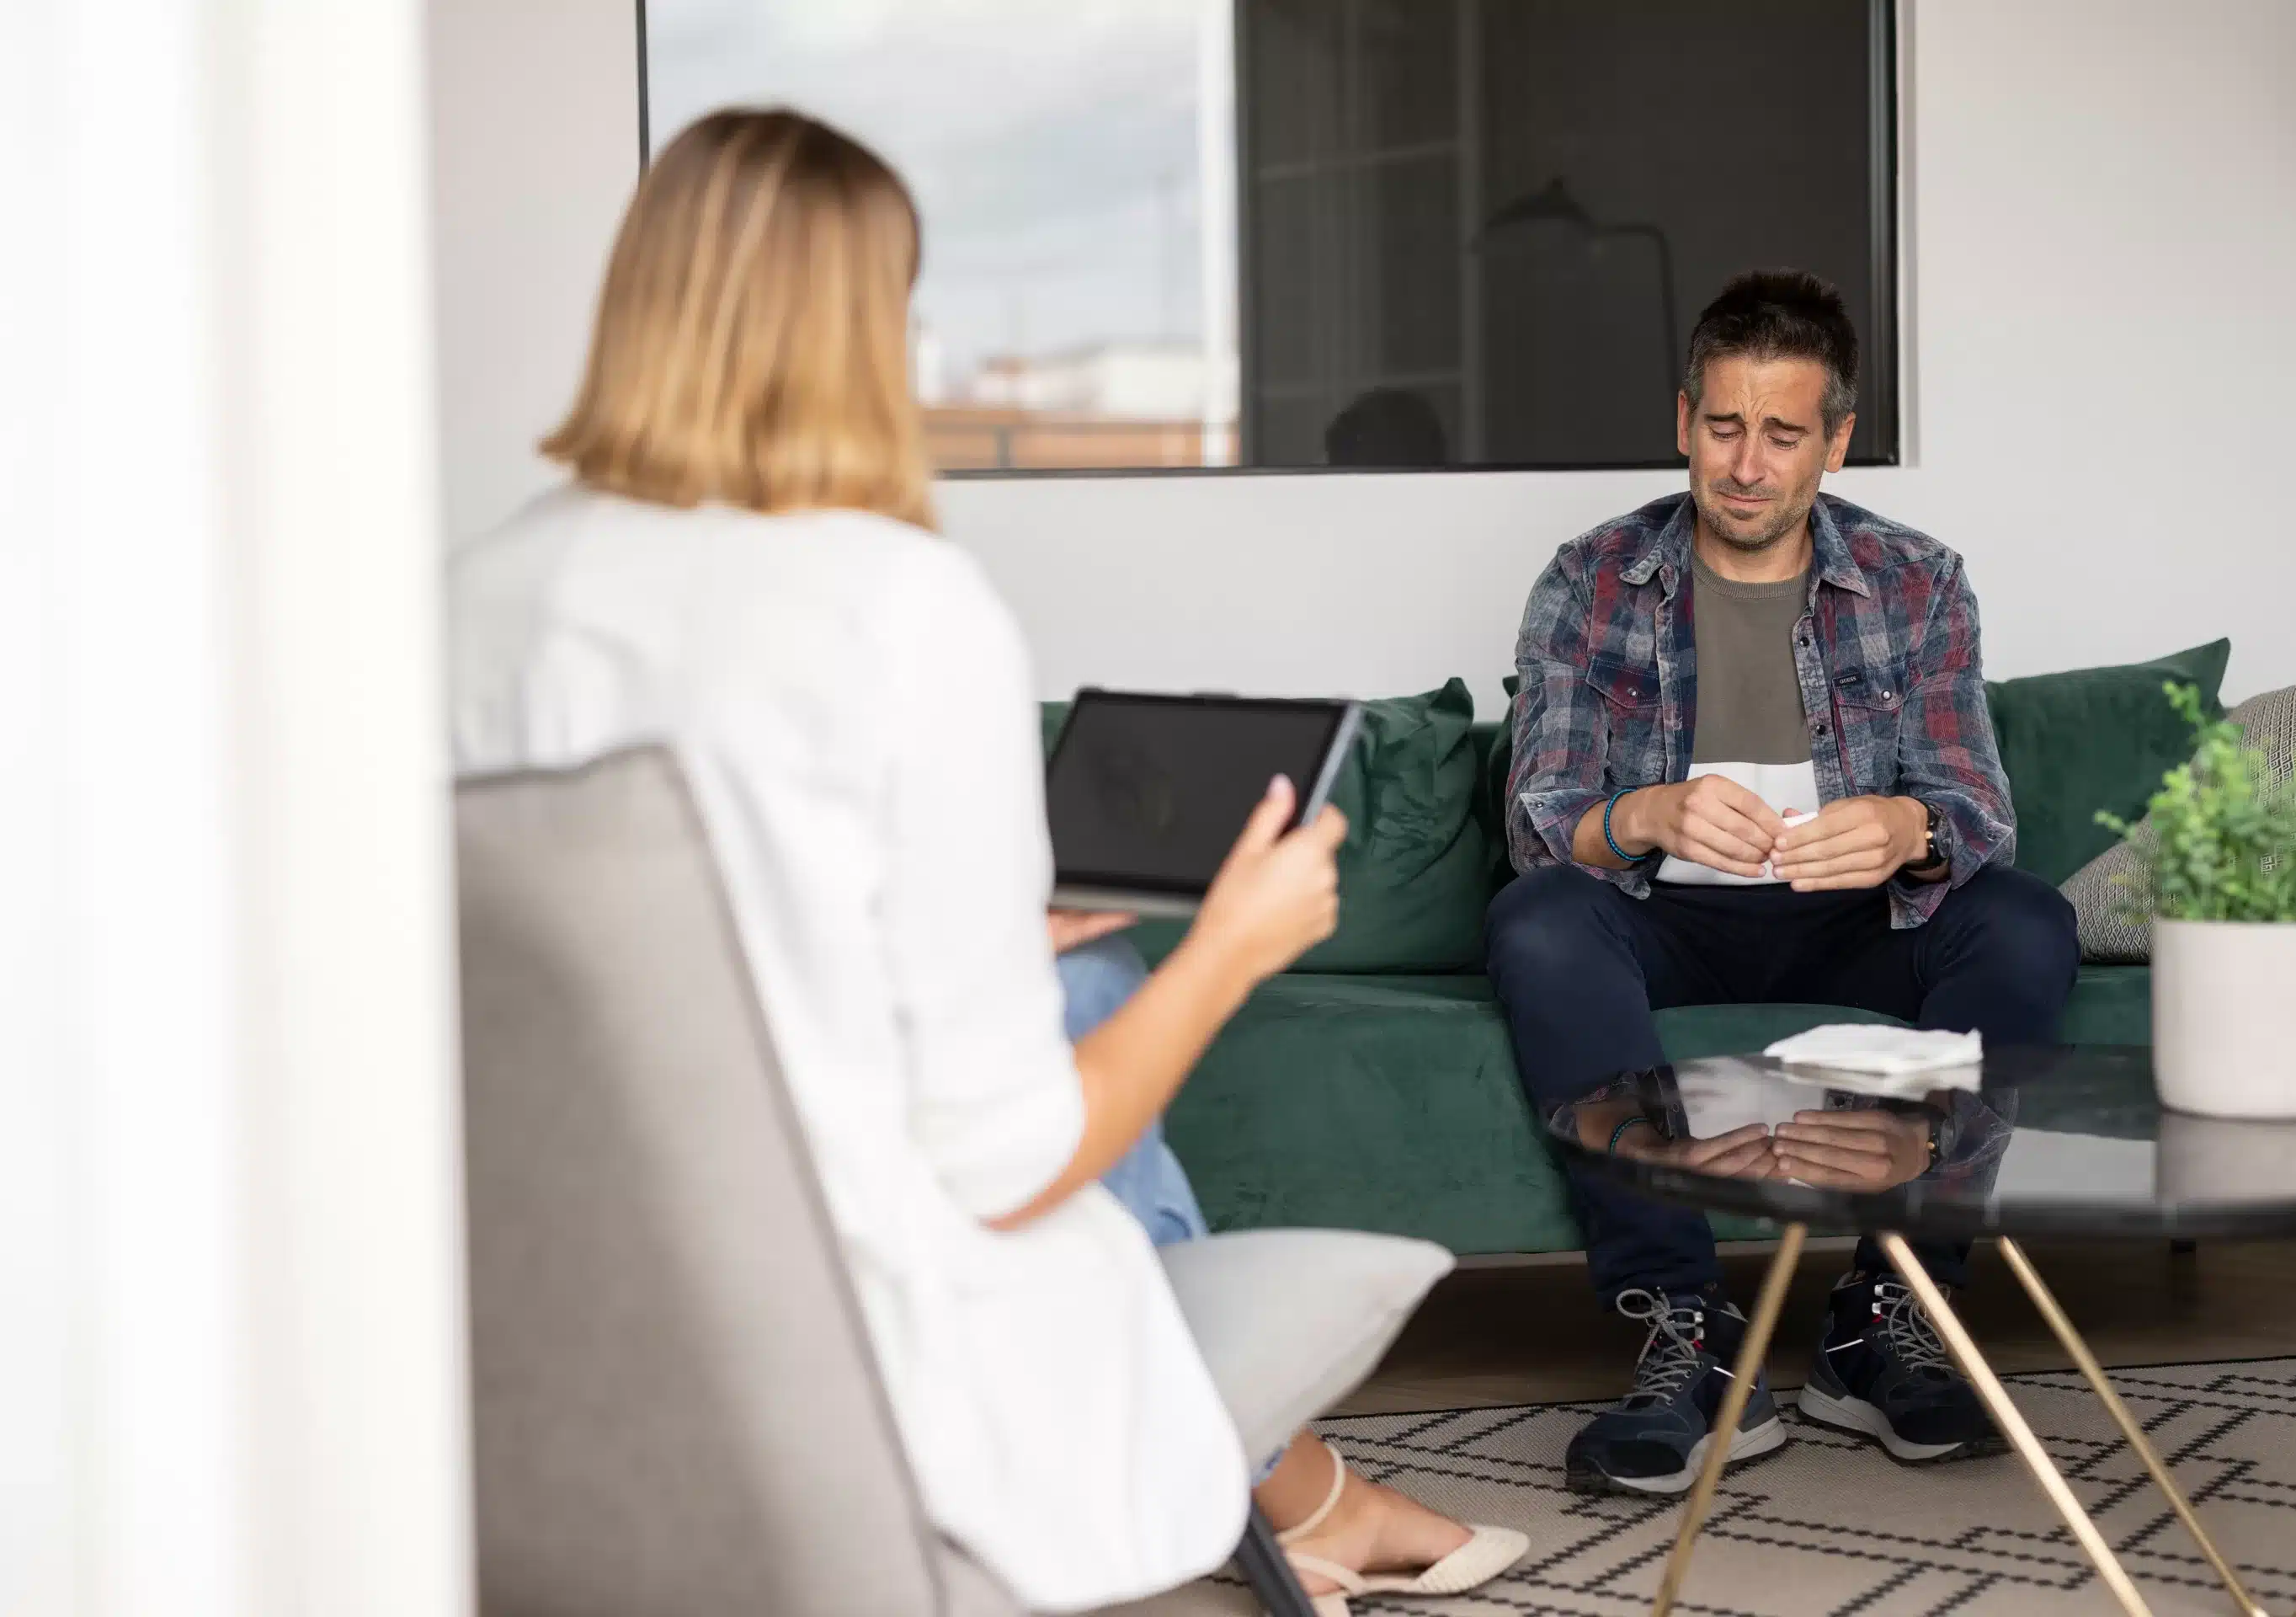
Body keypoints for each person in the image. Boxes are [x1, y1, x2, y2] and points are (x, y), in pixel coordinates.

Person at [448, 108, 1522, 1614]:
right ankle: (1288, 1498)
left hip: (544, 1312)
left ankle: (1305, 1500)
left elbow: (657, 962)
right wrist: (1229, 945)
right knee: (1103, 996)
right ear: (860, 328)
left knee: (1066, 966)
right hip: (854, 1342)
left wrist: (999, 941)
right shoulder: (891, 606)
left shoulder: (477, 599)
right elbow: (1011, 1166)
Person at [1485, 269, 2080, 1497]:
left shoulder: (1920, 580)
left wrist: (1907, 826)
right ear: (1684, 419)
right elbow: (1539, 816)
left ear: (1836, 441)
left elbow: (1981, 816)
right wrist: (1643, 812)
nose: (1747, 465)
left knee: (2025, 924)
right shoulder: (1589, 578)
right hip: (1665, 920)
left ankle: (1886, 1319)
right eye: (1723, 427)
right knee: (1539, 921)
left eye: (1783, 433)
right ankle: (1689, 1333)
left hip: (1858, 924)